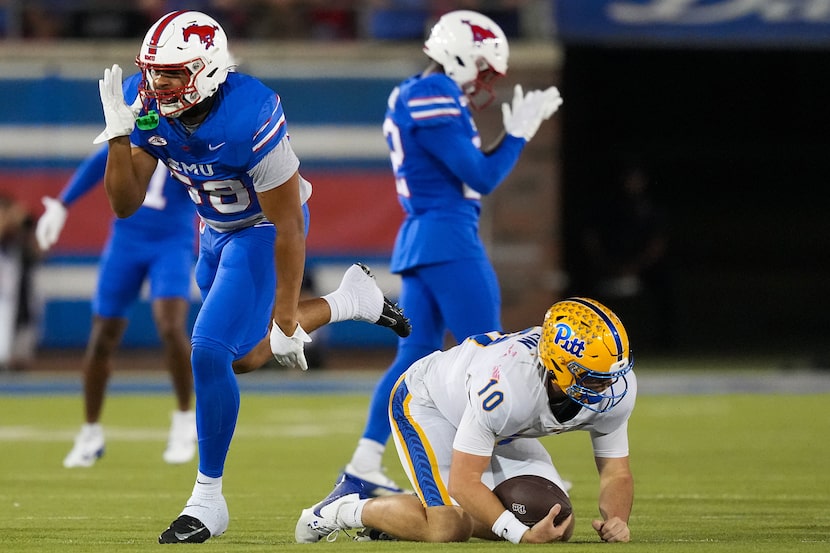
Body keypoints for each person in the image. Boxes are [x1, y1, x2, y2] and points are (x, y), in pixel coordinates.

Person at [91, 10, 410, 544]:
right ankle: (349, 301)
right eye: (153, 71)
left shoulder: (248, 113)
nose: (157, 84)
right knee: (241, 356)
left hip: (262, 229)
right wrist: (121, 139)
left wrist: (287, 314)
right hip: (213, 232)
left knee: (208, 349)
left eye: (172, 73)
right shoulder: (144, 101)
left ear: (209, 69)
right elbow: (125, 205)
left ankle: (206, 501)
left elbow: (288, 224)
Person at [338, 9, 563, 497]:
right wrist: (521, 131)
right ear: (459, 54)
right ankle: (515, 470)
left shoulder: (414, 91)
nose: (483, 79)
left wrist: (511, 134)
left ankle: (363, 463)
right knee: (496, 354)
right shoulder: (433, 93)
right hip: (447, 236)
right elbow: (480, 176)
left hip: (427, 235)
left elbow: (470, 166)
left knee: (413, 356)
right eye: (482, 66)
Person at [296, 297, 636, 544]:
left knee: (553, 519)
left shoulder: (614, 386)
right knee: (448, 527)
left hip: (495, 423)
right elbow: (464, 482)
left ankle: (401, 522)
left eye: (609, 374)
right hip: (430, 403)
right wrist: (519, 535)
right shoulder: (509, 388)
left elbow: (616, 471)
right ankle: (340, 509)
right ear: (559, 366)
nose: (607, 386)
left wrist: (617, 520)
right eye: (591, 377)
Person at [35, 145, 199, 468]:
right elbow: (102, 161)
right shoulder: (138, 123)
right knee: (102, 336)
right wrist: (62, 203)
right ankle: (90, 432)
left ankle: (184, 420)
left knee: (170, 325)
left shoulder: (185, 127)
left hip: (172, 241)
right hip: (126, 240)